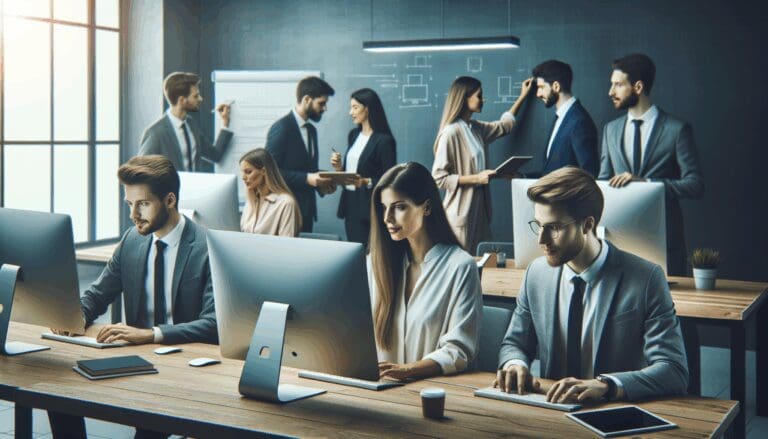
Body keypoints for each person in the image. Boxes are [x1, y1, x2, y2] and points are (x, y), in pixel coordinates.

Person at [49, 155, 217, 438]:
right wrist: (75, 316)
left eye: (143, 204)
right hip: (138, 360)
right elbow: (98, 294)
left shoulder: (207, 246)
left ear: (170, 200)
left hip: (186, 363)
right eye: (129, 204)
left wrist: (150, 334)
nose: (133, 214)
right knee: (58, 391)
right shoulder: (132, 240)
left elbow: (213, 324)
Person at [495, 167, 688, 403]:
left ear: (587, 225)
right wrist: (515, 364)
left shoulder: (646, 279)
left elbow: (673, 370)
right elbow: (514, 343)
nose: (541, 240)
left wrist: (607, 386)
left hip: (612, 412)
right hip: (549, 409)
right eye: (539, 225)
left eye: (554, 228)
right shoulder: (536, 274)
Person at [368, 162, 482, 380]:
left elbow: (458, 350)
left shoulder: (460, 266)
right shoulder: (375, 264)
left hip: (430, 390)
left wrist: (408, 370)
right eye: (384, 207)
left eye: (399, 207)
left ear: (427, 207)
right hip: (377, 390)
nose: (387, 218)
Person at [598, 54, 704, 276]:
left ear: (638, 87)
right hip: (618, 242)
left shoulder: (677, 129)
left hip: (665, 241)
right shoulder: (610, 130)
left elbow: (695, 185)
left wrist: (647, 184)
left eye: (618, 85)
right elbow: (603, 183)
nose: (610, 92)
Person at [432, 75, 532, 254]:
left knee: (481, 263)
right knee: (463, 264)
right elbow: (439, 178)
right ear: (464, 98)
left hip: (480, 213)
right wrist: (477, 178)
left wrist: (523, 96)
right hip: (460, 216)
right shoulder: (450, 133)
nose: (483, 99)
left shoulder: (476, 128)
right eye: (479, 95)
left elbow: (505, 125)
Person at [266, 76, 337, 233]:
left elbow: (307, 169)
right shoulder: (281, 128)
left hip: (307, 213)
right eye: (321, 103)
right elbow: (270, 173)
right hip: (285, 212)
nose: (325, 108)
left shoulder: (311, 130)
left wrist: (321, 184)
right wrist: (307, 178)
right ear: (306, 100)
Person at [330, 88, 397, 245]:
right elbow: (350, 174)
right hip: (350, 205)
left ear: (367, 109)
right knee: (356, 251)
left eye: (355, 107)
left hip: (370, 207)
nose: (350, 112)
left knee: (370, 252)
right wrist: (339, 168)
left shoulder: (384, 141)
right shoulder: (353, 135)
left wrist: (365, 182)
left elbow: (391, 179)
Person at [139, 72, 233, 172]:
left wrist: (225, 122)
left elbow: (215, 155)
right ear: (182, 100)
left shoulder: (191, 124)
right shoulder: (155, 133)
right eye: (195, 96)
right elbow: (142, 173)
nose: (200, 99)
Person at [525, 60, 599, 177]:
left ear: (556, 86)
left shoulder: (579, 121)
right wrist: (521, 177)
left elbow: (589, 174)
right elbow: (551, 173)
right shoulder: (561, 117)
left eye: (541, 87)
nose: (538, 94)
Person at [239, 148, 302, 237]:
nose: (243, 177)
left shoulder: (285, 203)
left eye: (248, 172)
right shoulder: (250, 201)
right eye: (243, 172)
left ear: (264, 171)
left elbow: (287, 243)